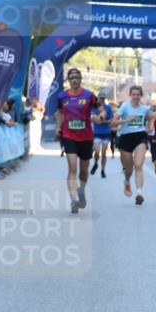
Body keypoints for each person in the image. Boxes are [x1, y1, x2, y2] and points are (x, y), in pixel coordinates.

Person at [54, 68, 99, 214]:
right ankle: (73, 200)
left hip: (86, 137)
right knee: (72, 168)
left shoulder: (89, 95)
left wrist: (101, 115)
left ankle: (81, 190)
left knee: (84, 170)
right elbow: (60, 112)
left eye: (77, 77)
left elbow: (101, 108)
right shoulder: (62, 96)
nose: (74, 80)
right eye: (71, 77)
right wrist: (58, 127)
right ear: (68, 80)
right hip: (69, 135)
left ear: (80, 79)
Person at [112, 85, 154, 205]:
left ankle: (139, 193)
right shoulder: (125, 107)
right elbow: (113, 122)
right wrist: (125, 120)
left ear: (141, 96)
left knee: (138, 165)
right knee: (129, 169)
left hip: (140, 137)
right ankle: (127, 181)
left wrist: (149, 126)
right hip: (126, 138)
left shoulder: (144, 109)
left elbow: (151, 117)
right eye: (133, 94)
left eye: (138, 94)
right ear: (130, 95)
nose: (136, 97)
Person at [91, 92, 113, 178]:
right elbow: (92, 119)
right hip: (96, 133)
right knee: (96, 151)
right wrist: (97, 120)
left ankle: (103, 170)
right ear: (98, 99)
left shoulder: (108, 108)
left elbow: (111, 120)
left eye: (103, 98)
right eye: (100, 98)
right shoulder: (94, 108)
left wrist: (102, 121)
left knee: (104, 153)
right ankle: (96, 163)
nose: (102, 100)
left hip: (106, 133)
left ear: (105, 99)